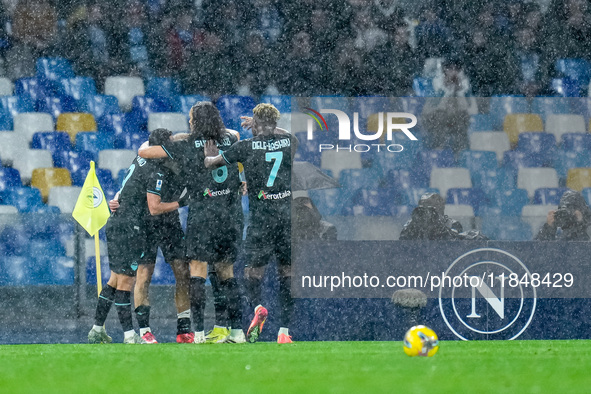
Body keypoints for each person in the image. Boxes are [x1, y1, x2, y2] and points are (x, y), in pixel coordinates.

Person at [138, 102, 246, 344]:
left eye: (191, 119)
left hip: (204, 215)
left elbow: (144, 152)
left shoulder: (184, 143)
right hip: (230, 215)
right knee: (226, 273)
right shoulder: (230, 138)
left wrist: (182, 137)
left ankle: (197, 333)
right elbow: (235, 133)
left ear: (195, 122)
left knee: (197, 271)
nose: (188, 122)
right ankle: (237, 332)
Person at [204, 103, 298, 344]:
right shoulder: (289, 141)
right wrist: (265, 125)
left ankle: (257, 306)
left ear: (255, 124)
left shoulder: (244, 146)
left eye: (253, 123)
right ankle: (284, 332)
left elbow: (212, 164)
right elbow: (284, 135)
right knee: (287, 272)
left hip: (262, 219)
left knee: (251, 272)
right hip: (287, 218)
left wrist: (208, 156)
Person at [88, 129, 183, 344]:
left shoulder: (140, 156)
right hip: (132, 226)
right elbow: (154, 208)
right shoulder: (156, 170)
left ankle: (96, 329)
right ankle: (130, 336)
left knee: (114, 279)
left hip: (117, 223)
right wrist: (183, 202)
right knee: (126, 282)